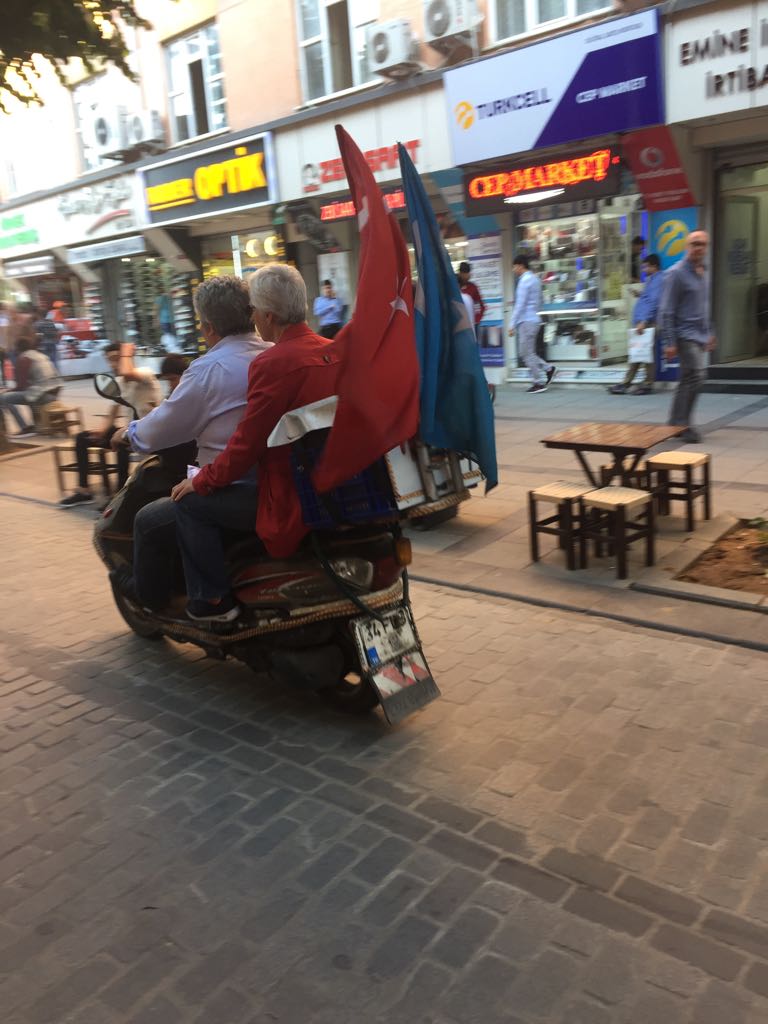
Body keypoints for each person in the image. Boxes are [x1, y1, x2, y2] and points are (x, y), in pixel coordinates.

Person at [169, 263, 341, 624]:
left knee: (189, 505)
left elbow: (247, 445)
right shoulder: (334, 352)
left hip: (287, 493)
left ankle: (214, 602)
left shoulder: (272, 362)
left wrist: (201, 480)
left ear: (267, 314)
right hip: (333, 484)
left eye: (254, 311)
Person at [111, 276, 271, 612]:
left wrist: (130, 432)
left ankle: (184, 599)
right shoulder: (274, 355)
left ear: (208, 326)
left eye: (201, 323)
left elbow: (164, 425)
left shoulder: (209, 369)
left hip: (234, 487)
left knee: (150, 518)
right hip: (277, 484)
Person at [58, 351, 179, 509]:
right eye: (110, 360)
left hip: (146, 433)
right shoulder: (119, 382)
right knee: (81, 438)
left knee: (122, 443)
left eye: (117, 359)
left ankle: (119, 496)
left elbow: (126, 372)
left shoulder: (145, 374)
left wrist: (126, 351)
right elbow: (112, 413)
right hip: (128, 430)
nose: (114, 364)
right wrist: (101, 430)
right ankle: (84, 490)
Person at [659, 230, 716, 444]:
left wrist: (709, 332)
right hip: (683, 334)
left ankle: (675, 421)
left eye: (702, 244)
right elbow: (666, 310)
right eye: (694, 243)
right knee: (697, 376)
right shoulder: (676, 273)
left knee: (687, 379)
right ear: (686, 247)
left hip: (699, 334)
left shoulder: (703, 272)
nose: (698, 247)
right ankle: (684, 424)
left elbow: (703, 306)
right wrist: (669, 342)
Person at [609, 254, 664, 396]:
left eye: (646, 266)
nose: (644, 269)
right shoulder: (652, 280)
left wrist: (644, 322)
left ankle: (645, 384)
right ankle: (628, 383)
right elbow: (649, 298)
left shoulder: (658, 280)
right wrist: (640, 294)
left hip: (647, 323)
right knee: (638, 353)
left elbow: (654, 302)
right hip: (643, 322)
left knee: (645, 355)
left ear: (654, 266)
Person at [511, 253, 556, 394]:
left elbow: (520, 305)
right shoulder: (535, 279)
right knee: (527, 353)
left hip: (526, 321)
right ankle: (548, 369)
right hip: (534, 319)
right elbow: (539, 301)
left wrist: (511, 324)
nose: (513, 270)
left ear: (520, 266)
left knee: (526, 353)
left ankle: (538, 382)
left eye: (514, 267)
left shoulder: (524, 281)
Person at [0, 334, 59, 436]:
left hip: (42, 395)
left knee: (3, 398)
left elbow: (21, 386)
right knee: (30, 392)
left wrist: (6, 391)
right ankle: (36, 425)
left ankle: (24, 427)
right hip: (55, 392)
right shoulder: (40, 355)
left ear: (18, 348)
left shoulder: (23, 359)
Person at [457, 261, 485, 326]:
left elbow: (481, 305)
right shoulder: (455, 287)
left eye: (467, 273)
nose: (466, 276)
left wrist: (477, 320)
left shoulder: (473, 287)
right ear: (460, 273)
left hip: (471, 324)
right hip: (458, 324)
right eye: (464, 273)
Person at [34, 307, 61, 371]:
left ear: (39, 315)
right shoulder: (50, 322)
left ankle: (48, 374)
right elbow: (55, 332)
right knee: (53, 360)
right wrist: (56, 340)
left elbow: (36, 335)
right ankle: (55, 374)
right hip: (52, 343)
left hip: (43, 345)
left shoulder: (37, 324)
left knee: (45, 361)